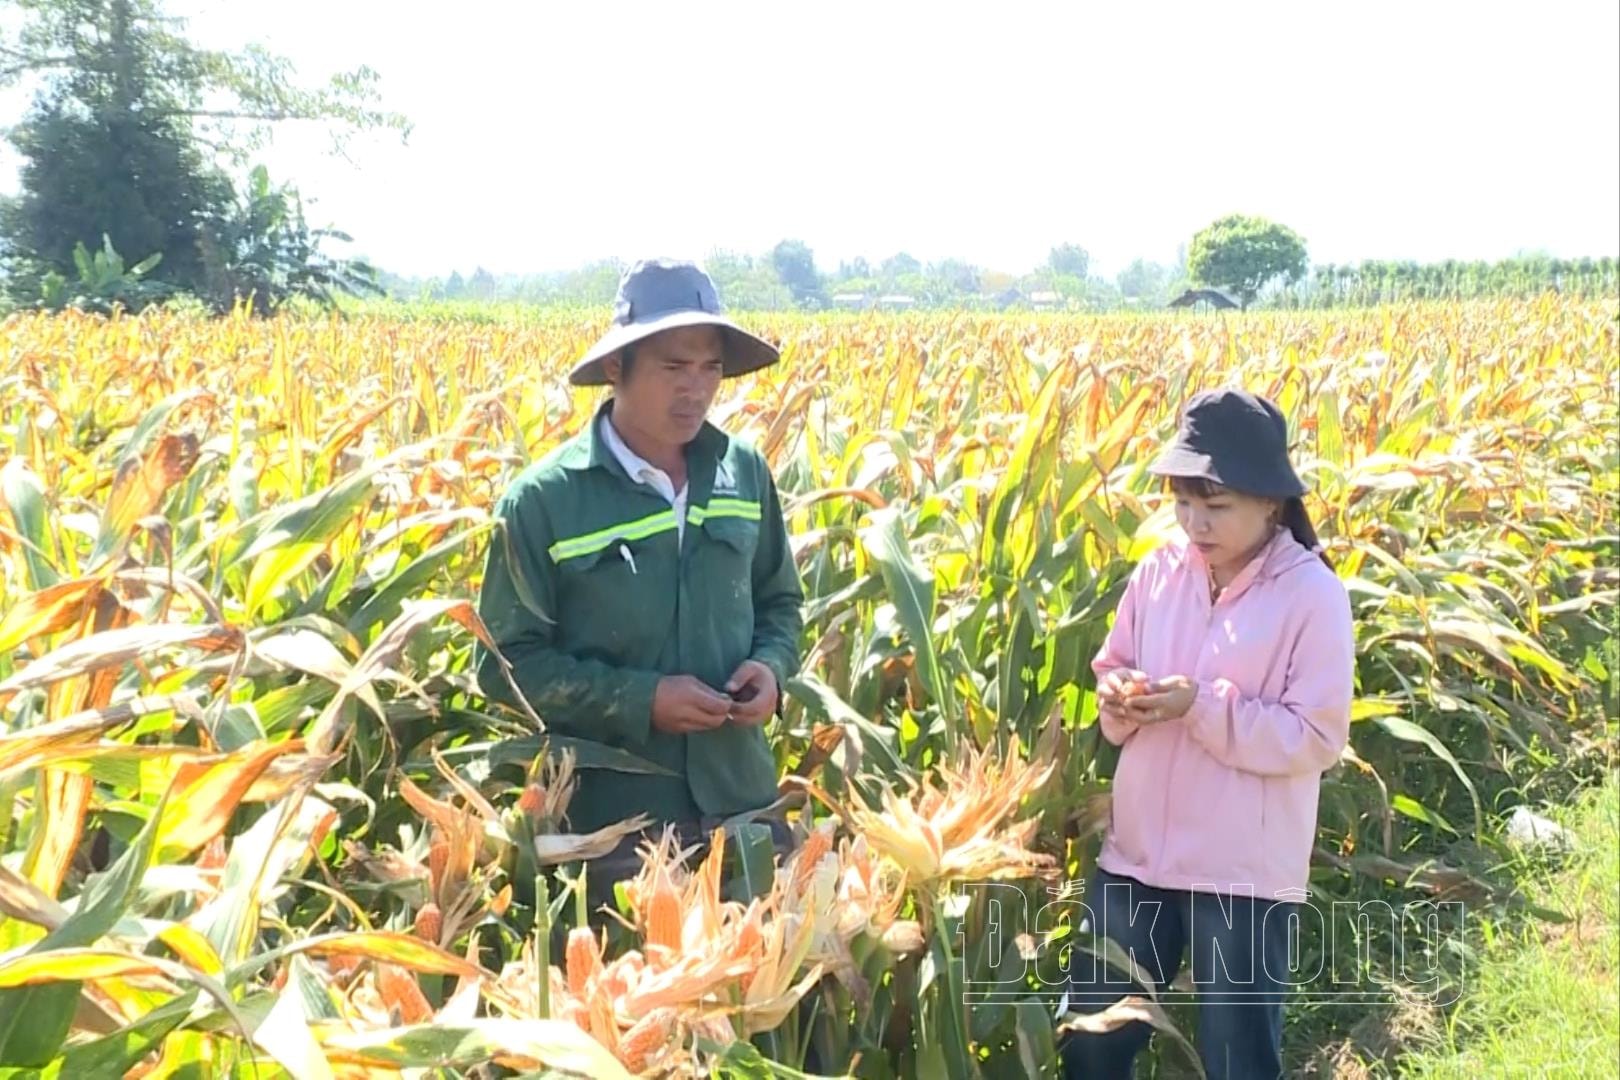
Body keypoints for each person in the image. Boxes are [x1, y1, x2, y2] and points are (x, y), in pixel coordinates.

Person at [475, 258, 804, 912]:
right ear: (615, 368)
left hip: (745, 811)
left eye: (711, 368)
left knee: (769, 1007)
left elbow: (781, 603)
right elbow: (504, 666)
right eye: (674, 368)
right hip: (615, 836)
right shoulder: (545, 503)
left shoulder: (742, 474)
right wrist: (642, 700)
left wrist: (771, 669)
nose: (697, 389)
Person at [1061, 389, 1355, 1080]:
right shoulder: (1158, 572)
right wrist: (1118, 700)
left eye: (1216, 505)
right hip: (1135, 858)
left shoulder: (1312, 595)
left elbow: (1316, 735)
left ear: (1272, 503)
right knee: (1091, 1042)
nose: (1195, 521)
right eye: (1183, 501)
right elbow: (1115, 666)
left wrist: (1201, 708)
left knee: (1237, 1062)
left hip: (1240, 875)